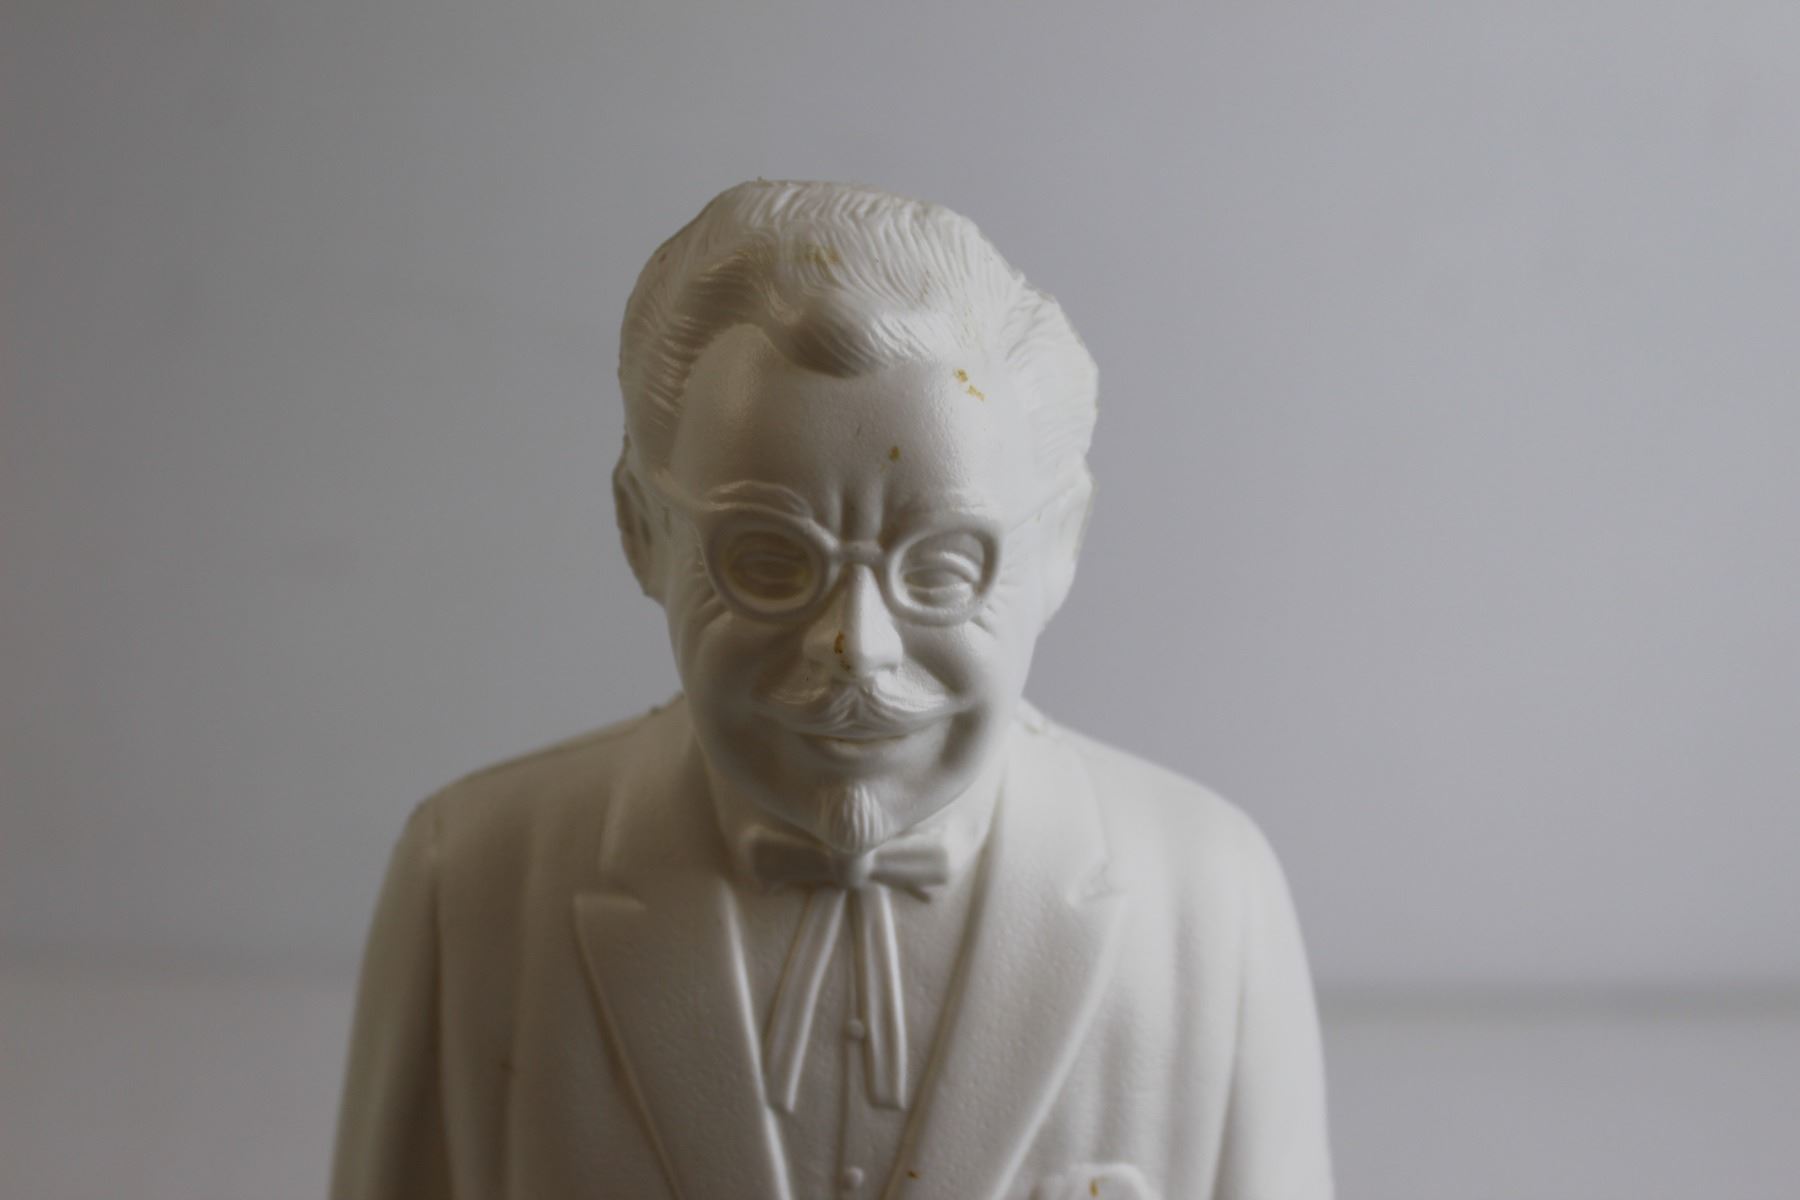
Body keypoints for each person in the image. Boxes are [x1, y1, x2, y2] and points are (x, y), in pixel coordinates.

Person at [332, 180, 1332, 1200]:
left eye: (943, 566)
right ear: (642, 530)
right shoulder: (473, 882)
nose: (858, 647)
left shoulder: (1211, 901)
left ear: (1058, 544)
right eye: (769, 561)